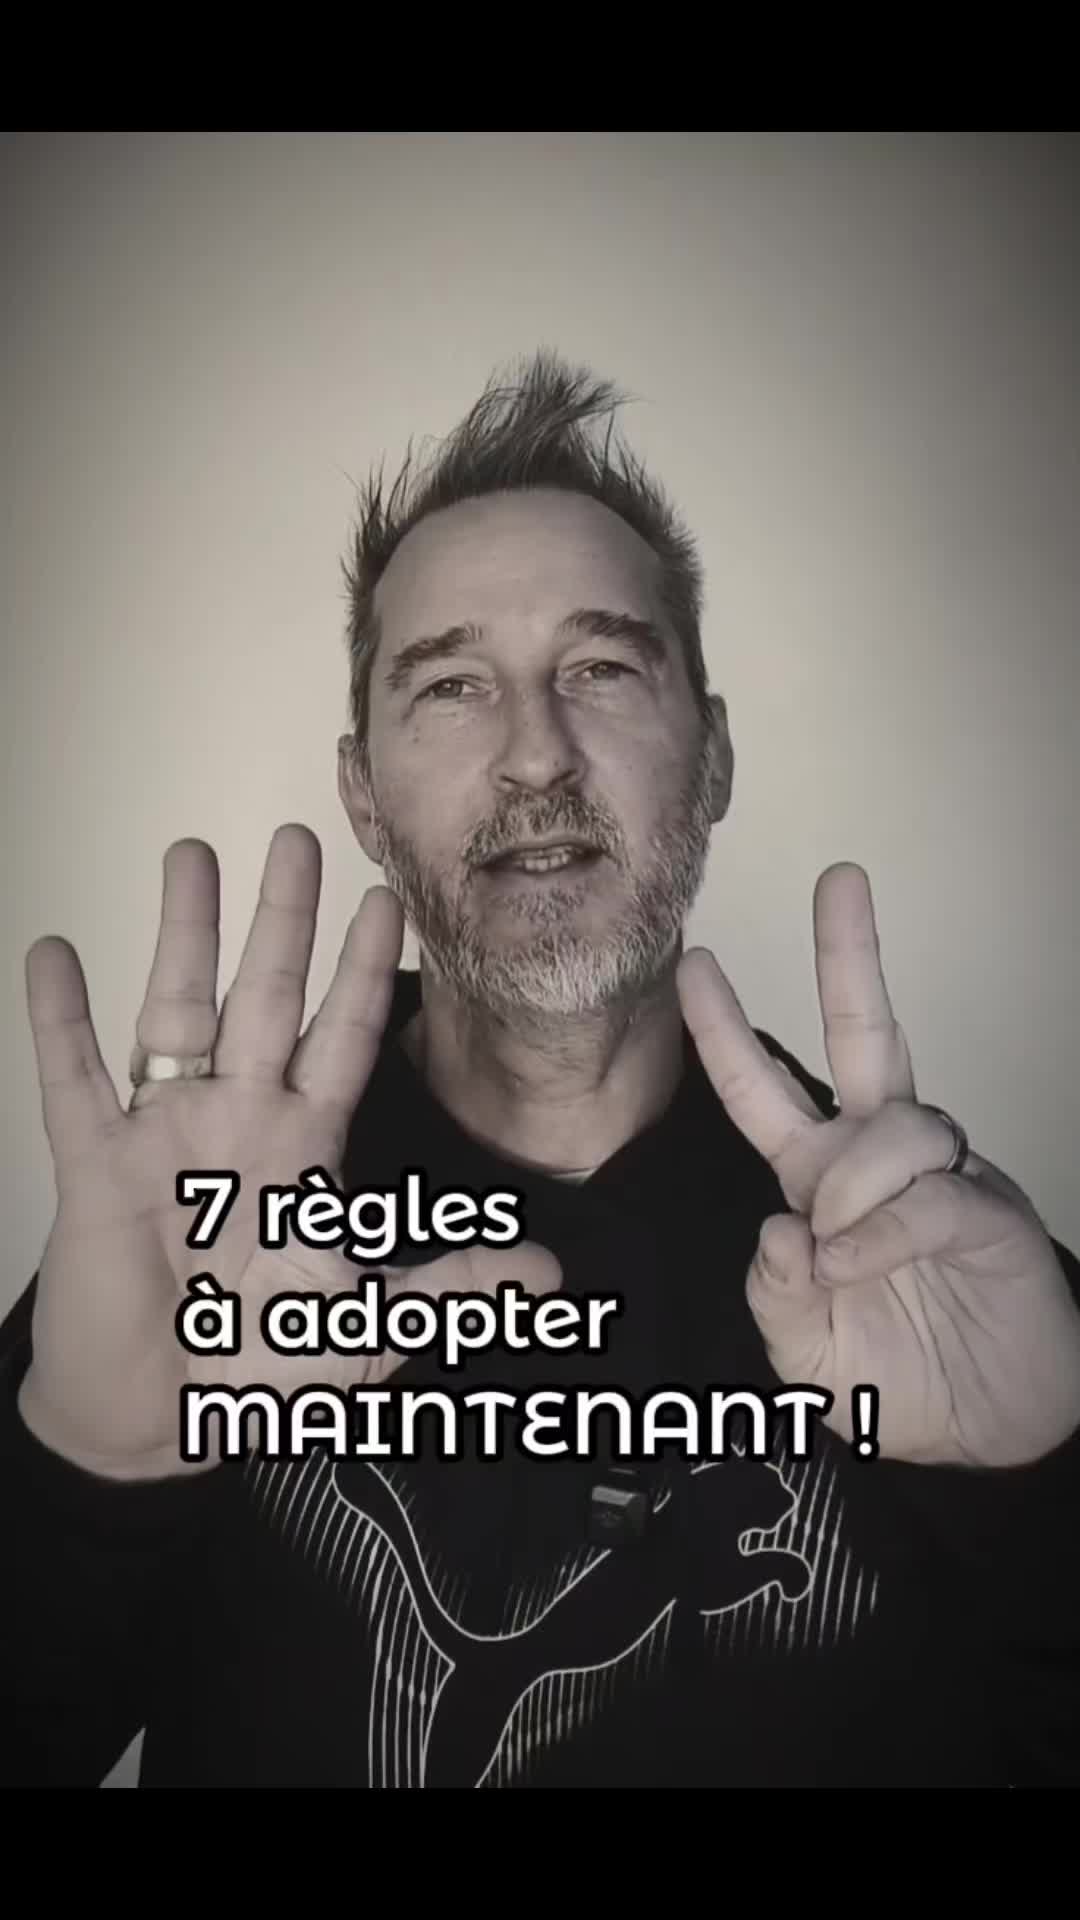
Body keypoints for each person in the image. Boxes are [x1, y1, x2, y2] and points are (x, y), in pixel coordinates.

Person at [3, 350, 1079, 1790]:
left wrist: (1043, 1495)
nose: (534, 755)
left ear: (713, 758)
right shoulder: (205, 1233)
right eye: (452, 686)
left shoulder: (925, 1278)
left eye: (601, 668)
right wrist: (83, 1479)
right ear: (362, 794)